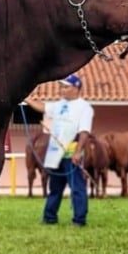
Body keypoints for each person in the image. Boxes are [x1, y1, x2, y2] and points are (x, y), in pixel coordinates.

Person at [23, 74, 94, 226]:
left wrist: (78, 152)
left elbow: (84, 132)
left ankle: (79, 220)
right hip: (55, 154)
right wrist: (27, 99)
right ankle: (49, 218)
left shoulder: (84, 108)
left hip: (71, 151)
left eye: (66, 87)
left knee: (77, 188)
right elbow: (43, 107)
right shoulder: (59, 105)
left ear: (76, 88)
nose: (62, 90)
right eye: (61, 87)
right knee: (54, 187)